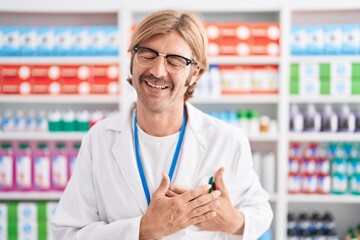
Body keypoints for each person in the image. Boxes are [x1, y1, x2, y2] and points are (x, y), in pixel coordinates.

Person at [51, 9, 273, 240]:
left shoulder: (228, 140)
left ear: (194, 73)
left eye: (175, 61)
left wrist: (233, 221)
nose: (157, 71)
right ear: (132, 59)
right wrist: (143, 229)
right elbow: (67, 232)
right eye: (147, 54)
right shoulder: (99, 139)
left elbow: (261, 212)